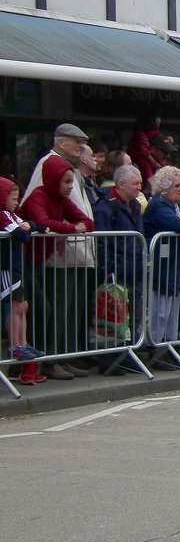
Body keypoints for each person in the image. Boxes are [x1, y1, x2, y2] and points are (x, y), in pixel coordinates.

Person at [19, 155, 96, 380]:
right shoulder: (38, 196)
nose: (70, 187)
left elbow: (88, 223)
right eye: (66, 182)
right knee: (41, 310)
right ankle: (34, 363)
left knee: (46, 310)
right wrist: (70, 229)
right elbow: (43, 222)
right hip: (23, 263)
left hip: (38, 262)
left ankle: (49, 360)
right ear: (53, 179)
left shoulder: (61, 199)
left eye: (71, 182)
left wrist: (66, 229)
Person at [142, 167, 180, 366]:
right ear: (164, 187)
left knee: (172, 311)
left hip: (173, 266)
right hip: (160, 267)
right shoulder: (159, 204)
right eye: (177, 186)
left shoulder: (176, 206)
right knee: (160, 311)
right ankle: (156, 351)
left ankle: (168, 347)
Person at [93, 164, 145, 368]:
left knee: (134, 314)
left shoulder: (135, 205)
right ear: (121, 184)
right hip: (118, 269)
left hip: (135, 267)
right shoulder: (106, 207)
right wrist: (109, 269)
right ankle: (111, 358)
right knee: (114, 315)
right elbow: (103, 242)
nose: (139, 187)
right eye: (135, 183)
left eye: (140, 182)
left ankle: (128, 353)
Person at [1, 178, 46, 384]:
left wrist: (31, 225)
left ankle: (24, 343)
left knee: (24, 306)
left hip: (17, 266)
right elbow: (22, 234)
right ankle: (15, 346)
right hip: (7, 267)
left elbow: (36, 225)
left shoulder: (11, 214)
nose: (16, 203)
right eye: (12, 198)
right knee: (14, 306)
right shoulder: (2, 216)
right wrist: (28, 227)